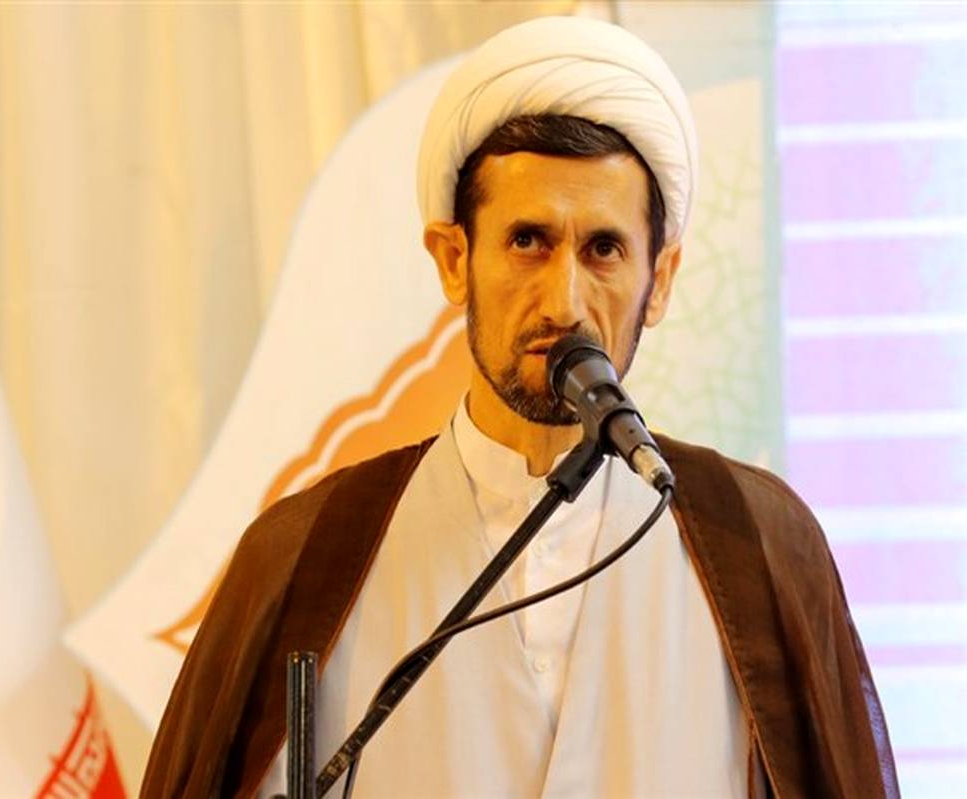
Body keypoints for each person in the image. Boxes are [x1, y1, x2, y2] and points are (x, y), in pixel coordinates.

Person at [140, 16, 898, 799]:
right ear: (454, 259)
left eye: (603, 249)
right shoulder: (304, 557)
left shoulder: (759, 545)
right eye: (529, 241)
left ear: (661, 279)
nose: (563, 302)